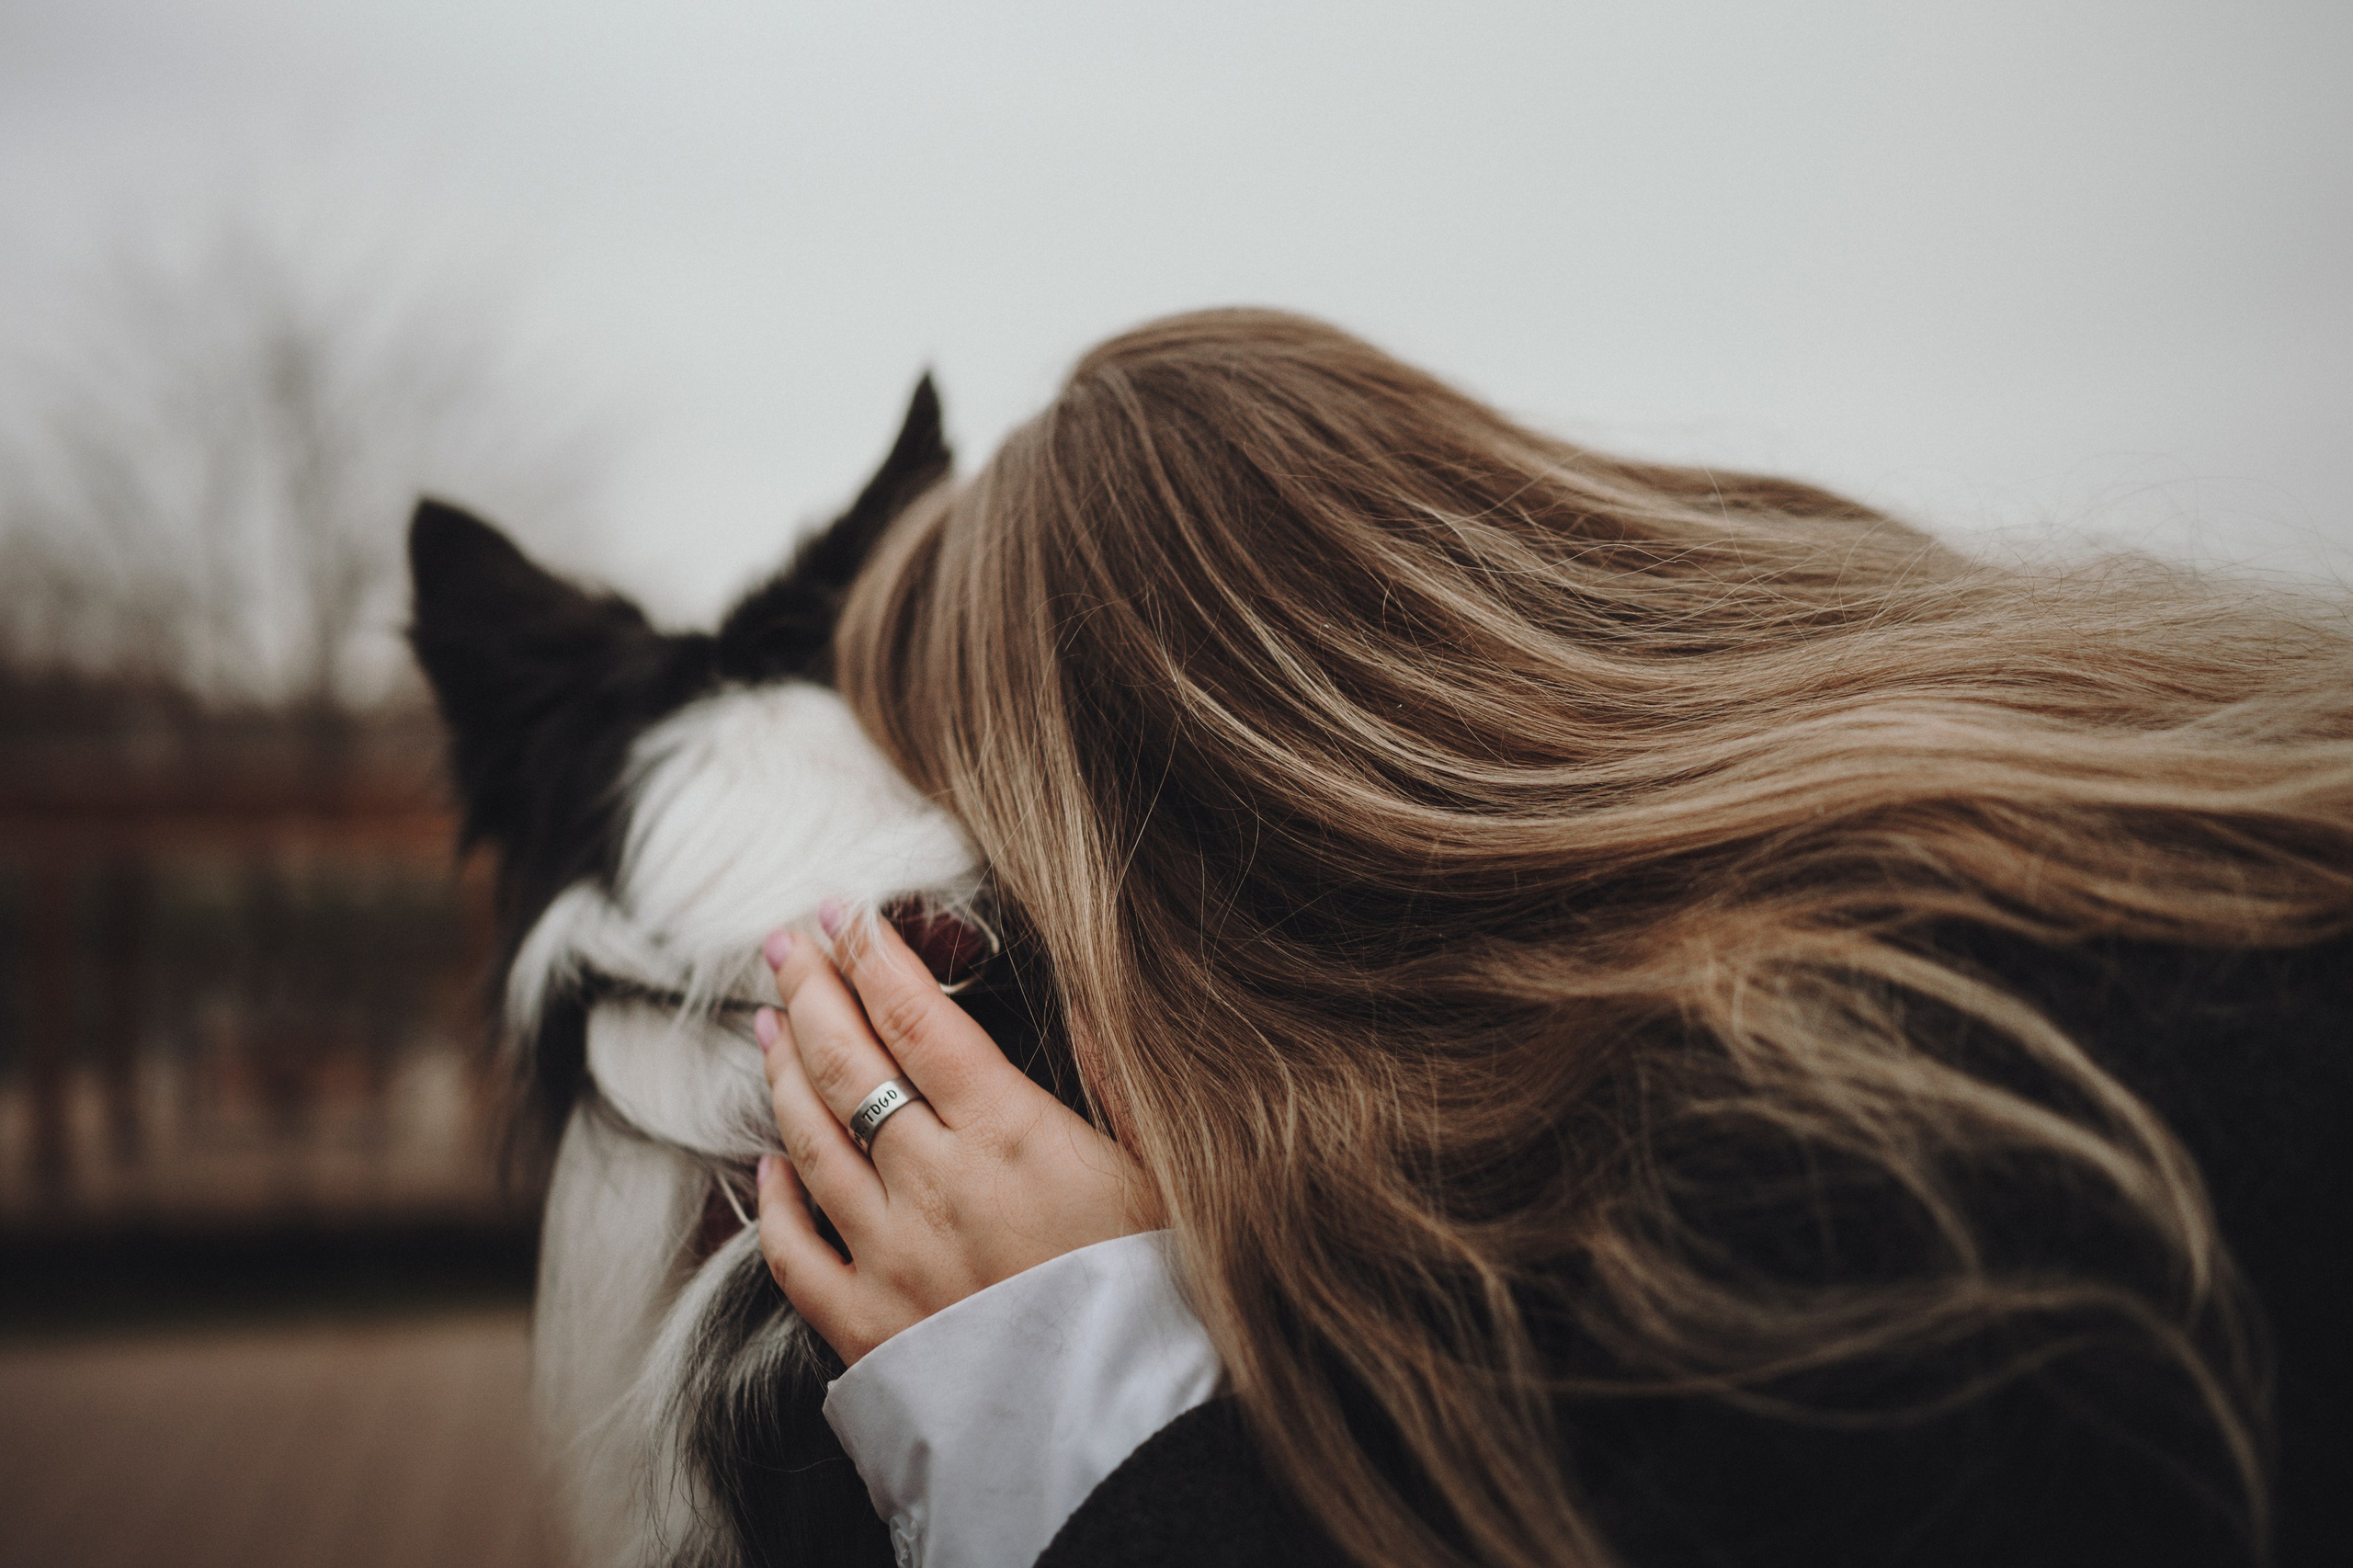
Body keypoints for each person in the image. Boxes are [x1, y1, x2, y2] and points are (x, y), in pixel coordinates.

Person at [745, 310, 2351, 1568]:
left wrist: (1094, 1432)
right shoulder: (2066, 895)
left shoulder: (1821, 1192)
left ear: (1153, 898)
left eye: (1004, 930)